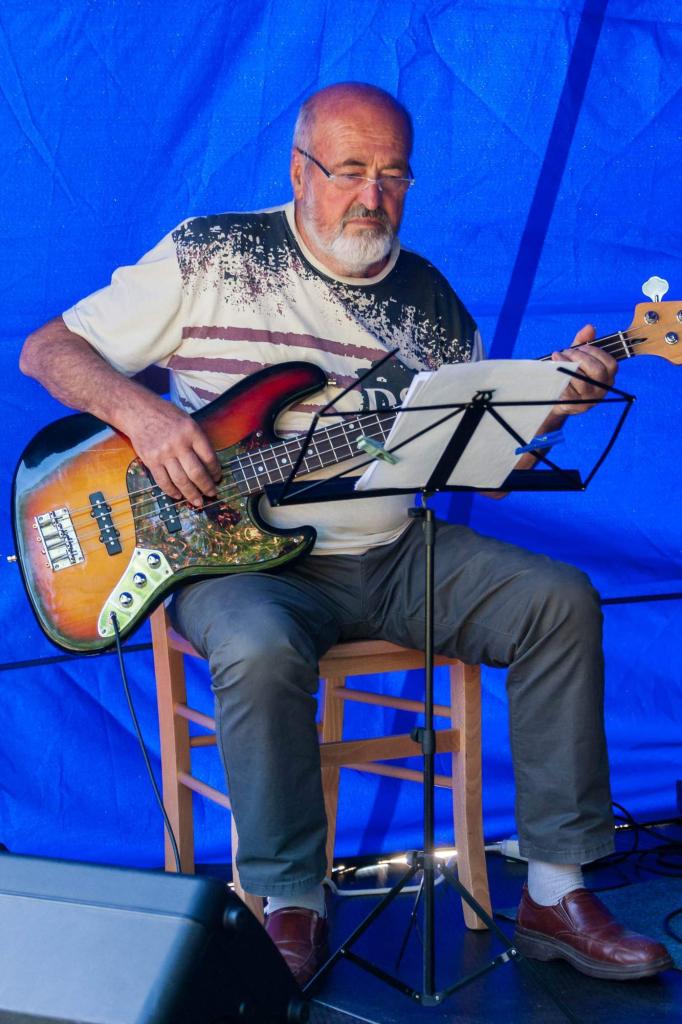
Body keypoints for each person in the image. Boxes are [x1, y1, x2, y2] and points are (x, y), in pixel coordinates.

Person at [20, 82, 672, 986]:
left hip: (391, 553)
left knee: (558, 601)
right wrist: (148, 417)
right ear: (300, 171)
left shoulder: (432, 306)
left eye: (393, 175)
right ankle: (290, 901)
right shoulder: (215, 252)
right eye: (350, 170)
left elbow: (478, 462)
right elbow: (48, 350)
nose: (372, 195)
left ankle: (556, 893)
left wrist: (557, 406)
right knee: (257, 645)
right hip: (232, 559)